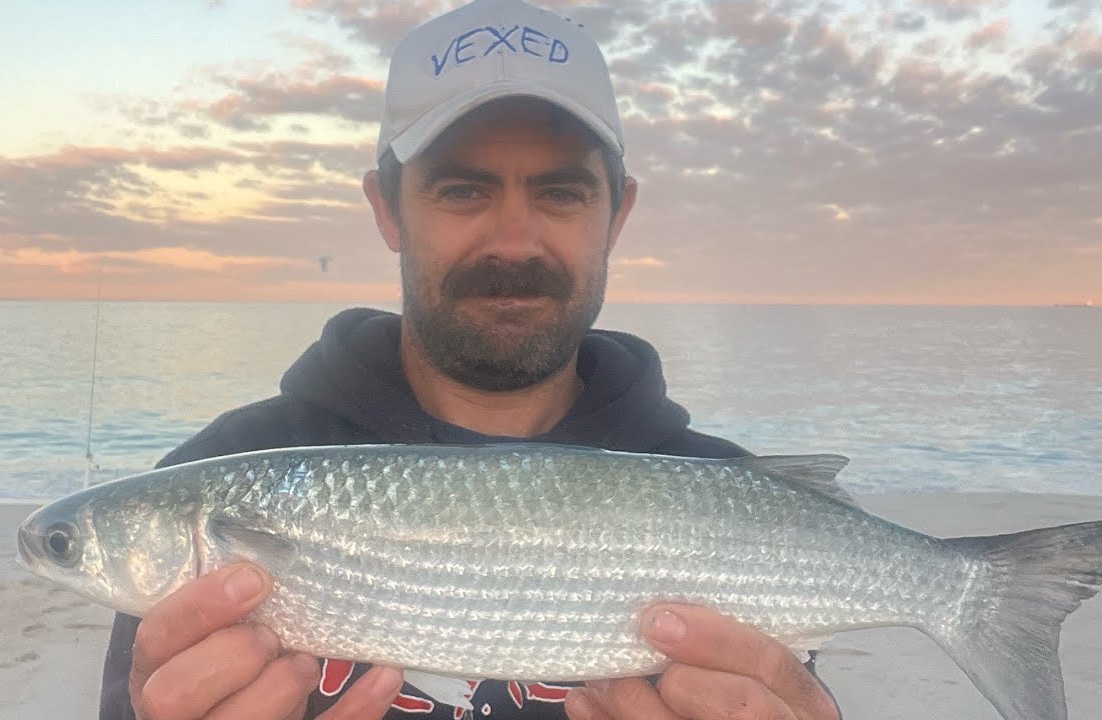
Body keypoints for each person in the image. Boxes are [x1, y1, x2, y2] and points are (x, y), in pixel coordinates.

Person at [98, 0, 844, 718]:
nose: (514, 241)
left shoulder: (741, 504)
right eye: (462, 189)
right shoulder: (219, 480)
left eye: (560, 192)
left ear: (617, 215)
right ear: (388, 208)